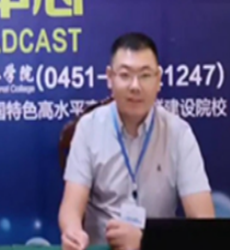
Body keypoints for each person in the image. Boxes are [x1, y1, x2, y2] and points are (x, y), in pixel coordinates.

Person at [59, 32, 214, 250]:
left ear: (158, 80)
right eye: (125, 75)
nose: (135, 86)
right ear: (110, 78)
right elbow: (70, 209)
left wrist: (145, 241)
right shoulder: (89, 127)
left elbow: (204, 221)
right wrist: (72, 232)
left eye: (145, 75)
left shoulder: (179, 133)